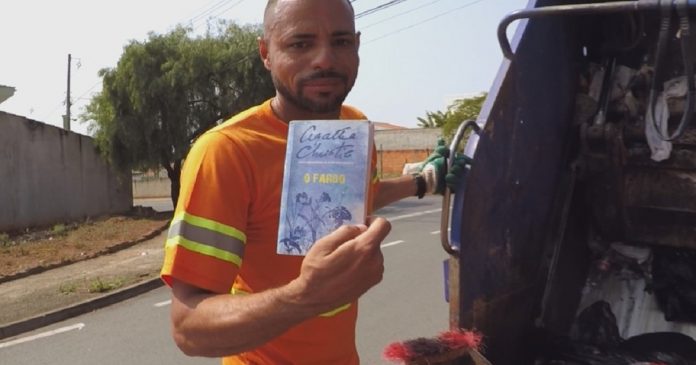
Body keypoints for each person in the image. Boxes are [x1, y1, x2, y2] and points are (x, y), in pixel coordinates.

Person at [160, 0, 460, 364]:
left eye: (341, 41)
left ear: (357, 45)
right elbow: (189, 328)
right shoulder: (226, 152)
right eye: (300, 44)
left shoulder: (353, 127)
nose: (325, 60)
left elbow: (361, 197)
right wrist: (305, 295)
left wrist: (423, 181)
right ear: (266, 53)